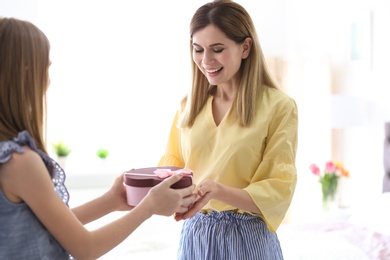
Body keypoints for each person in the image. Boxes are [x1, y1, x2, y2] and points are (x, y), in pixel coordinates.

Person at [0, 17, 197, 260]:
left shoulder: (8, 156)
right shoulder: (20, 162)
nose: (48, 80)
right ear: (25, 73)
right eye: (46, 67)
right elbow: (85, 249)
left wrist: (110, 202)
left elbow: (44, 225)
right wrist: (149, 208)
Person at [158, 0, 298, 259]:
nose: (206, 60)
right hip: (195, 235)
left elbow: (277, 192)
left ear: (245, 47)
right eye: (198, 49)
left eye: (217, 49)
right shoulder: (188, 107)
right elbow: (173, 170)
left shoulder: (279, 108)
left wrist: (218, 190)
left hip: (247, 240)